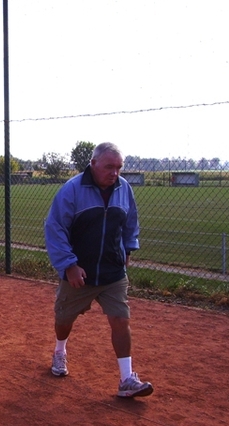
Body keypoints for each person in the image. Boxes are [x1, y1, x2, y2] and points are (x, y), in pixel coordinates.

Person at [44, 142, 153, 398]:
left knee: (121, 319)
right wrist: (69, 265)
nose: (114, 172)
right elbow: (55, 228)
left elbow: (131, 221)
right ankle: (60, 350)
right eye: (109, 167)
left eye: (118, 167)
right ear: (93, 164)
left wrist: (128, 247)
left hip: (112, 272)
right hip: (79, 273)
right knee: (64, 320)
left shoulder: (124, 189)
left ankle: (127, 379)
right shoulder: (72, 190)